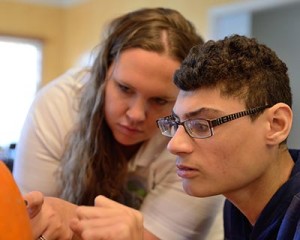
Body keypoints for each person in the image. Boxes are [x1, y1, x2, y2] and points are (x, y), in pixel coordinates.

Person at [13, 7, 224, 240]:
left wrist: (70, 215)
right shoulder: (58, 106)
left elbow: (161, 236)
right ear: (103, 72)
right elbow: (33, 221)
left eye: (159, 100)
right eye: (124, 88)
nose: (136, 115)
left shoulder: (193, 139)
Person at [155, 34, 300, 239]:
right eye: (176, 123)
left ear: (277, 124)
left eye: (201, 125)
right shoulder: (236, 205)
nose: (175, 145)